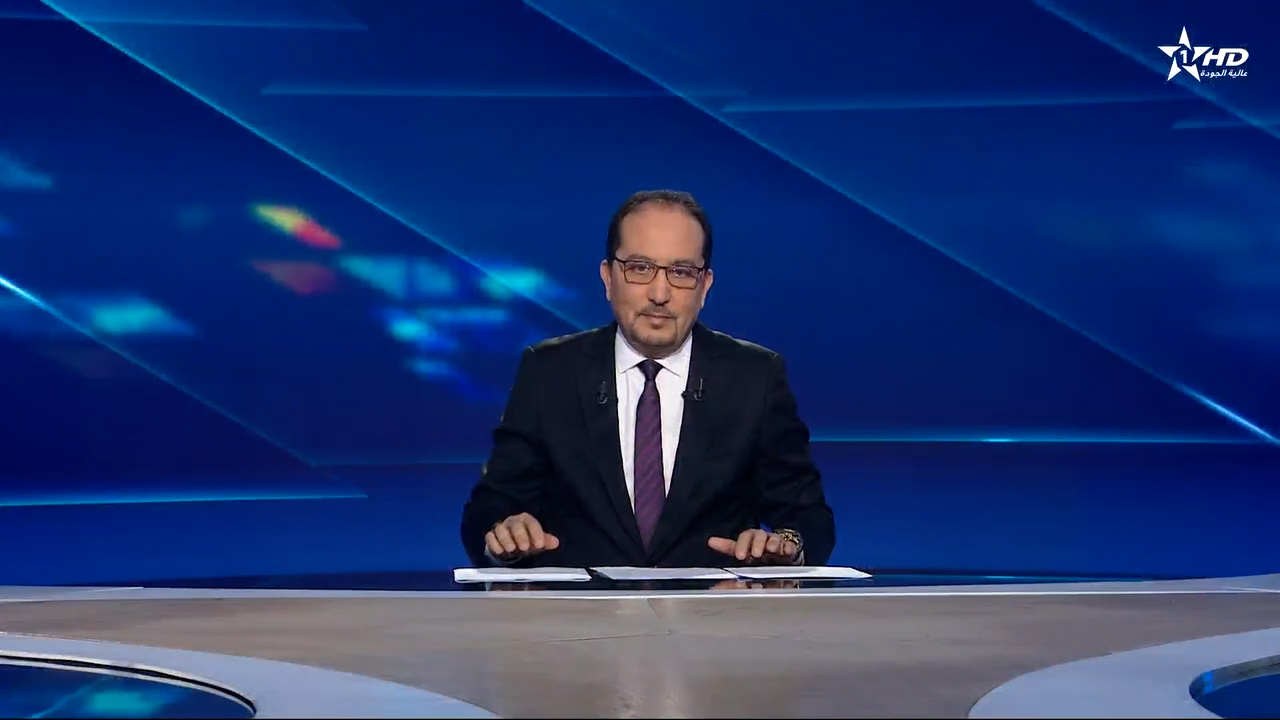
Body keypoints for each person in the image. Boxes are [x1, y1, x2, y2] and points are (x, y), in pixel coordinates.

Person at [460, 190, 835, 568]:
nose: (659, 293)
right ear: (608, 278)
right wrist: (504, 534)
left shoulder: (754, 377)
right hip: (581, 606)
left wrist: (786, 545)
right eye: (640, 268)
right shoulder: (549, 372)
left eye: (681, 272)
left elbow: (809, 518)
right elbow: (488, 511)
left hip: (714, 604)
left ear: (704, 286)